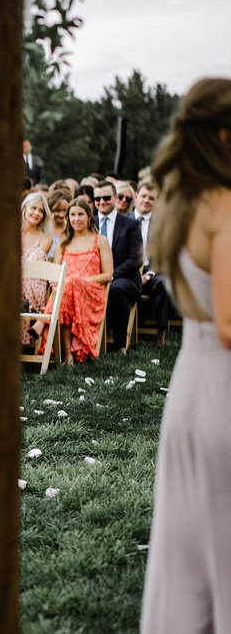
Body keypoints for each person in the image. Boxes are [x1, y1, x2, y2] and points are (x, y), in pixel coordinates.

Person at [141, 77, 231, 632]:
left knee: (185, 559)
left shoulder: (174, 203)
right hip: (223, 390)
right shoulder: (223, 205)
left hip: (190, 392)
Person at [47, 197, 113, 363]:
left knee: (70, 283)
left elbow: (108, 275)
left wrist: (80, 281)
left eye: (80, 214)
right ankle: (67, 353)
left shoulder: (101, 241)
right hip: (65, 293)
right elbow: (56, 273)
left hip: (91, 292)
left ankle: (43, 326)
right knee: (66, 289)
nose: (76, 219)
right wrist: (70, 283)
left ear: (89, 217)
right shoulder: (64, 242)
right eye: (72, 215)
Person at [93, 179, 144, 351]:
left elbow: (136, 259)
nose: (101, 202)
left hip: (125, 278)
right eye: (97, 199)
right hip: (96, 277)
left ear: (115, 198)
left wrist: (111, 274)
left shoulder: (131, 224)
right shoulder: (89, 223)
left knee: (115, 288)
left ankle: (120, 343)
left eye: (106, 197)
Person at [132, 181, 175, 343]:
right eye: (143, 196)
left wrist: (148, 275)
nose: (146, 200)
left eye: (151, 198)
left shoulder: (162, 225)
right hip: (129, 273)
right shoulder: (124, 220)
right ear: (136, 197)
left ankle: (160, 330)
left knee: (164, 283)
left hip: (152, 272)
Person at [20, 192, 54, 345]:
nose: (37, 213)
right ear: (25, 208)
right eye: (34, 208)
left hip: (34, 288)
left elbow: (32, 267)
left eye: (41, 211)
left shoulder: (46, 239)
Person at [46, 188, 71, 258]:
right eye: (57, 210)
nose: (61, 215)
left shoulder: (70, 230)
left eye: (64, 210)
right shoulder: (44, 229)